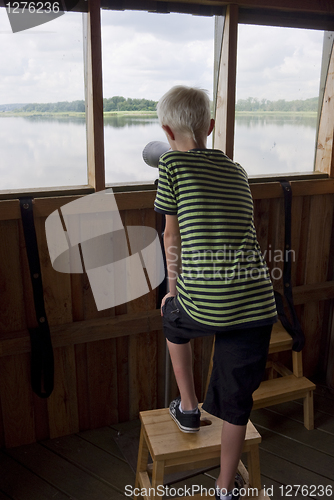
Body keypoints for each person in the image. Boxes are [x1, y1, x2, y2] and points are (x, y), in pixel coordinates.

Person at [154, 86, 277, 500]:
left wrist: (172, 291)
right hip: (258, 302)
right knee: (237, 398)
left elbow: (173, 235)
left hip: (205, 304)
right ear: (209, 127)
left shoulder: (170, 164)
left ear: (167, 130)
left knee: (173, 320)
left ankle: (188, 407)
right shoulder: (237, 169)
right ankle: (225, 489)